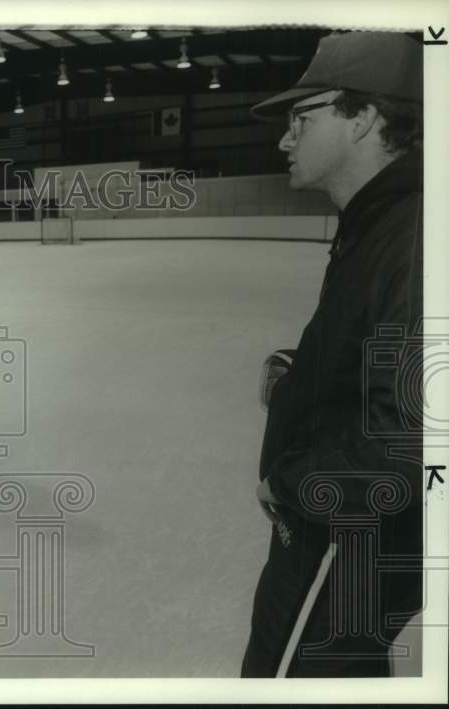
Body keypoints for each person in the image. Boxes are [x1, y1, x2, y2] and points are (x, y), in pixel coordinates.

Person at [243, 31, 423, 677]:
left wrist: (291, 482)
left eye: (302, 118)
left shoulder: (414, 239)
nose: (284, 139)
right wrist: (305, 371)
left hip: (347, 546)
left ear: (364, 118)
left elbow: (410, 442)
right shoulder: (374, 222)